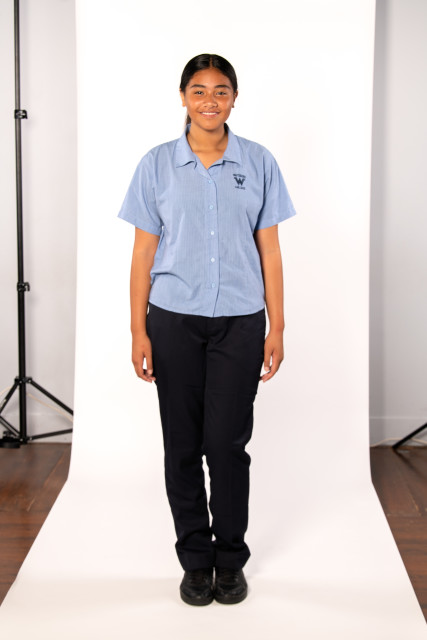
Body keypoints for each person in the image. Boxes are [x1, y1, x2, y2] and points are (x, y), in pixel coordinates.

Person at [118, 53, 296, 606]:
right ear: (183, 97)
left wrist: (277, 327)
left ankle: (230, 560)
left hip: (240, 323)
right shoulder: (156, 165)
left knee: (226, 446)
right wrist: (138, 331)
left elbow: (270, 251)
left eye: (221, 91)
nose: (210, 101)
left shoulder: (259, 162)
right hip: (172, 320)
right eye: (199, 91)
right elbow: (142, 254)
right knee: (182, 446)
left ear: (234, 99)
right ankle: (195, 561)